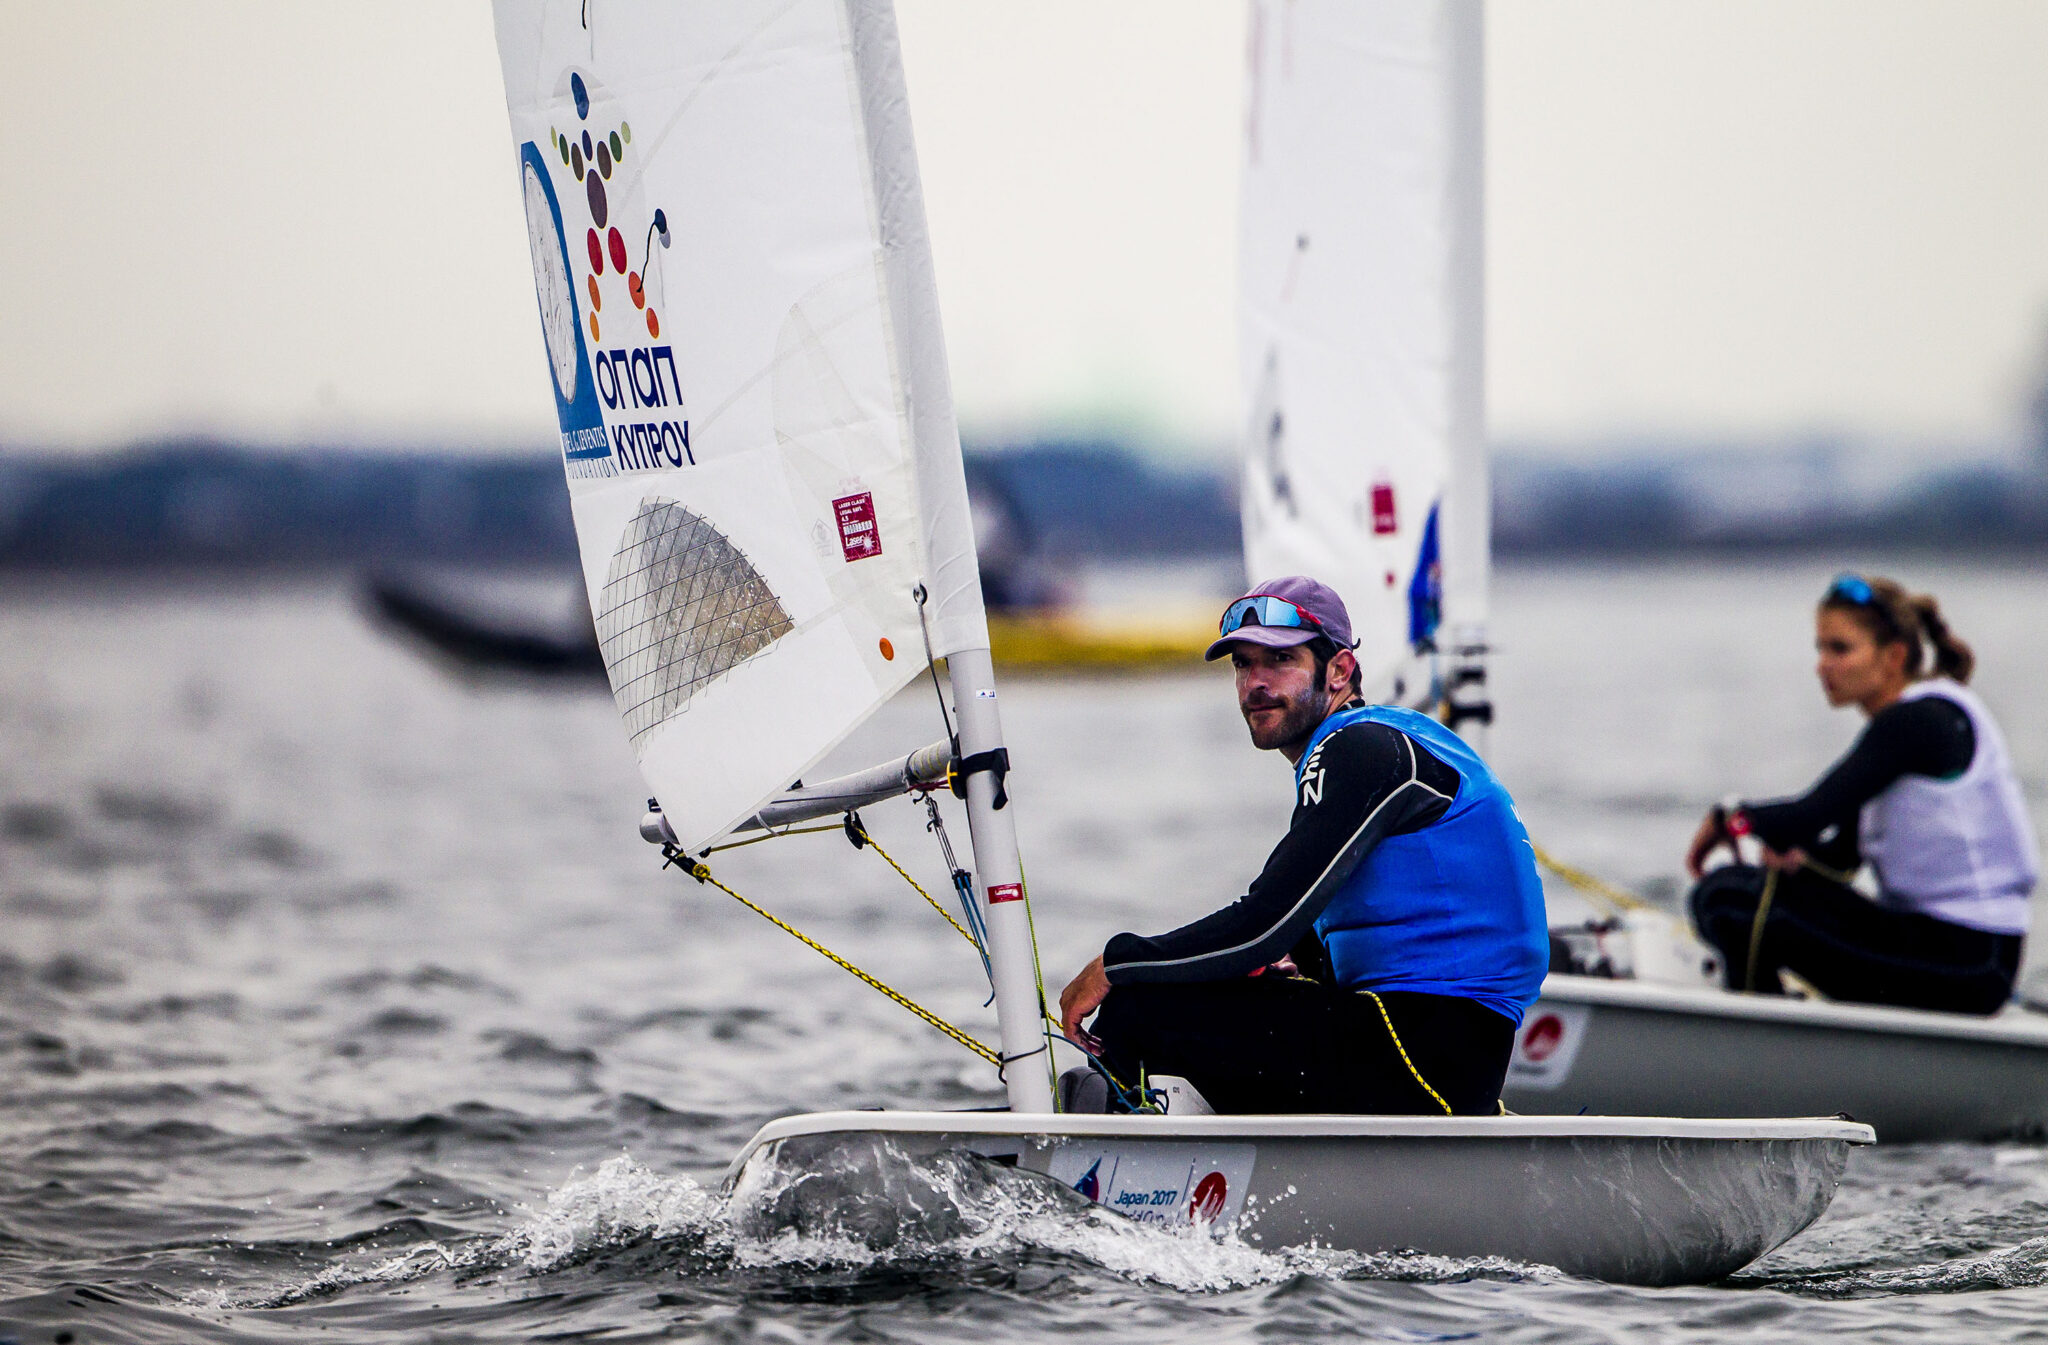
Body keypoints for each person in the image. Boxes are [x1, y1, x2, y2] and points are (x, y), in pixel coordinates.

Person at [1055, 576, 1549, 1115]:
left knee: (1138, 1004)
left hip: (1426, 1057)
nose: (1255, 684)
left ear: (1338, 670)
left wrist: (1116, 963)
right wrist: (1290, 963)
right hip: (1437, 1054)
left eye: (1280, 660)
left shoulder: (1359, 748)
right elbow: (1310, 936)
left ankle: (1117, 1177)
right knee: (1204, 989)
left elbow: (1262, 927)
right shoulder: (1380, 743)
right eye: (1243, 664)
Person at [1685, 573, 2038, 1015]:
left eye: (1840, 649)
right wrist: (1800, 861)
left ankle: (1757, 1038)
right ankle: (1766, 1013)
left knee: (1726, 900)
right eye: (1820, 648)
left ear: (1893, 657)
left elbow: (1805, 816)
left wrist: (1728, 820)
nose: (1822, 665)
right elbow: (1840, 861)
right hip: (1942, 948)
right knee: (1745, 890)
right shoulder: (1902, 730)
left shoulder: (1919, 722)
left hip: (1969, 962)